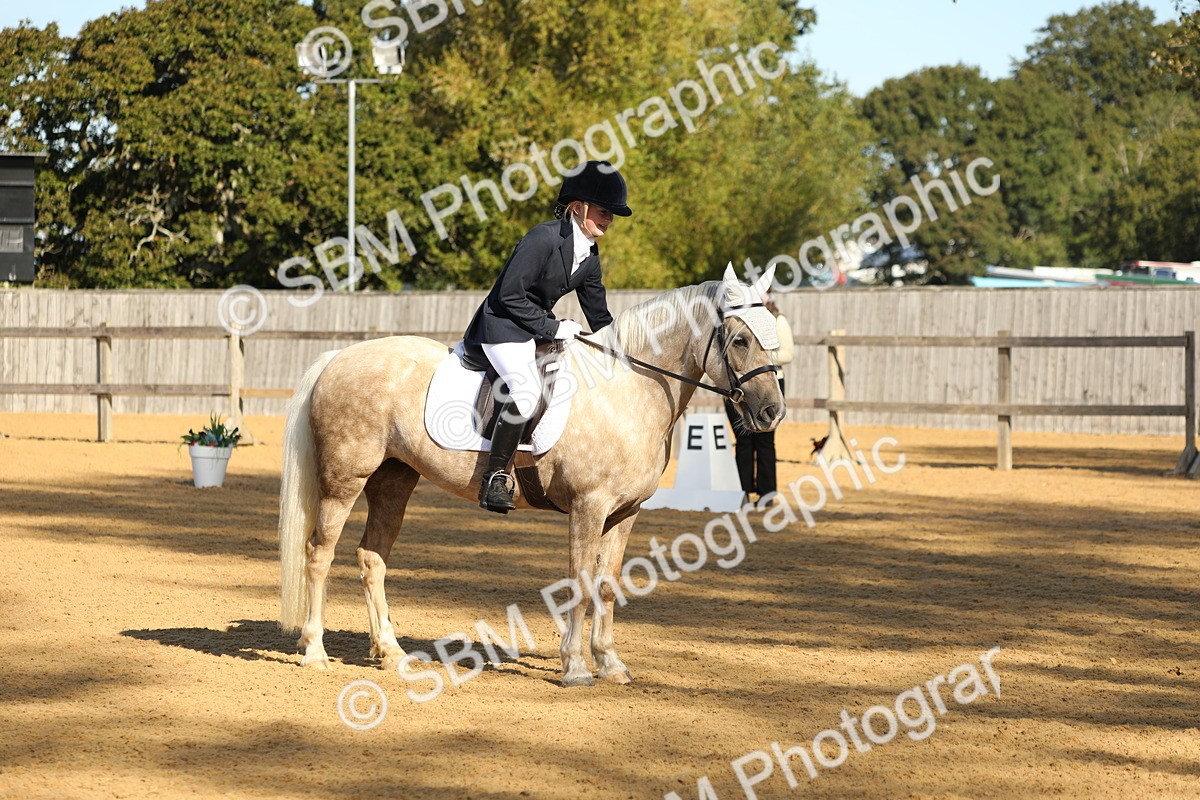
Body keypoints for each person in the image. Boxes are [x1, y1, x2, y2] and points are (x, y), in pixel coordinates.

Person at [462, 160, 632, 513]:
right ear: (578, 206)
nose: (608, 220)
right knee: (525, 389)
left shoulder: (589, 254)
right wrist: (554, 328)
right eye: (603, 211)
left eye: (612, 214)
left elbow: (598, 314)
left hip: (533, 329)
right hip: (502, 326)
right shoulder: (542, 237)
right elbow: (507, 295)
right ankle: (494, 478)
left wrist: (623, 353)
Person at [724, 299, 793, 508]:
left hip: (769, 382)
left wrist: (760, 358)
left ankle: (767, 493)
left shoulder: (777, 320)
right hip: (739, 382)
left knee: (765, 440)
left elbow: (789, 353)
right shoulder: (736, 322)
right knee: (742, 440)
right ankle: (742, 492)